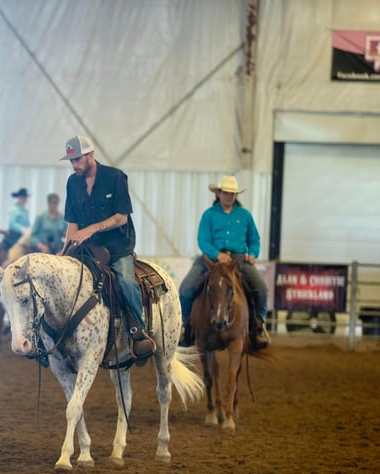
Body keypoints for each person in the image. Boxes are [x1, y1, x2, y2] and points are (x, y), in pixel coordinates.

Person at [60, 134, 156, 364]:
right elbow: (72, 222)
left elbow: (121, 218)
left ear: (90, 155)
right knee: (67, 278)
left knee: (125, 280)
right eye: (71, 161)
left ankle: (138, 332)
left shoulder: (115, 177)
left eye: (77, 159)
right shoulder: (73, 183)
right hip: (87, 244)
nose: (74, 165)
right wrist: (64, 252)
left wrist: (92, 229)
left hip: (118, 244)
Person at [178, 175, 270, 349]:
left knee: (261, 289)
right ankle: (185, 325)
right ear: (218, 193)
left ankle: (258, 327)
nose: (229, 196)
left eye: (232, 193)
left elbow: (254, 240)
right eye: (226, 192)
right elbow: (203, 240)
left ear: (236, 195)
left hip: (239, 260)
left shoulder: (245, 215)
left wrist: (253, 254)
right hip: (211, 260)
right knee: (186, 288)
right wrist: (217, 254)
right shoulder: (209, 215)